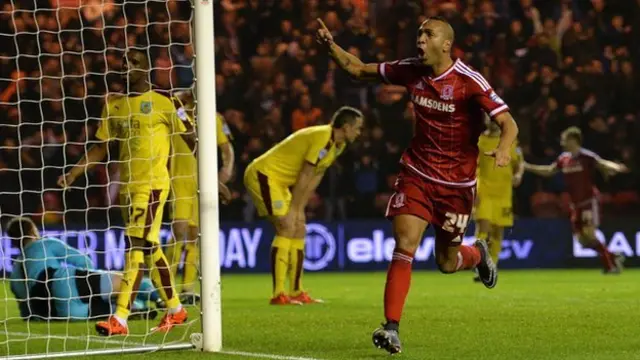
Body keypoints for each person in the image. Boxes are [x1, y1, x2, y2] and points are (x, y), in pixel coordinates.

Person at [317, 16, 519, 354]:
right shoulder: (411, 70)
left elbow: (507, 122)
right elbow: (359, 69)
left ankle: (477, 253)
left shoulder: (469, 81)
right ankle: (391, 327)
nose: (420, 39)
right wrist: (331, 46)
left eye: (428, 34)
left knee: (446, 262)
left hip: (456, 186)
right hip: (417, 174)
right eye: (418, 33)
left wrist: (504, 147)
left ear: (446, 43)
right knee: (405, 243)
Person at [57, 49, 230, 336]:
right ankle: (175, 309)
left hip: (152, 187)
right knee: (150, 247)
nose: (126, 68)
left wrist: (213, 179)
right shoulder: (114, 105)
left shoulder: (167, 103)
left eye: (134, 63)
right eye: (123, 63)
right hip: (128, 189)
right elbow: (101, 147)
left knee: (135, 246)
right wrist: (74, 173)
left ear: (147, 69)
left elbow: (192, 140)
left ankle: (120, 317)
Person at [244, 106, 363, 305]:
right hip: (264, 175)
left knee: (299, 227)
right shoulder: (323, 137)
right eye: (357, 128)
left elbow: (317, 175)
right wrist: (294, 209)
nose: (359, 133)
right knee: (286, 225)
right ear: (346, 127)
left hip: (280, 182)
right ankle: (278, 294)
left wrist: (300, 209)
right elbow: (306, 174)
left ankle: (297, 290)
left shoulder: (337, 145)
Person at [8, 216, 161, 321]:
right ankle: (159, 298)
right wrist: (93, 281)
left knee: (105, 309)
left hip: (57, 312)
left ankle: (138, 310)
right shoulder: (43, 243)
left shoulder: (15, 270)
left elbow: (26, 312)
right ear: (33, 231)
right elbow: (84, 261)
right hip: (60, 281)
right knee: (125, 282)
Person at [165, 88, 235, 305]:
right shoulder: (178, 113)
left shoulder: (213, 118)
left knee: (195, 235)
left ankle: (187, 288)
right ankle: (165, 288)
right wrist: (183, 95)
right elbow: (169, 98)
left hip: (201, 181)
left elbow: (227, 148)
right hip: (178, 180)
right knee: (179, 231)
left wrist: (226, 170)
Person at [524, 126, 627, 274]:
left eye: (564, 139)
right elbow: (549, 171)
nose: (562, 142)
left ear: (573, 140)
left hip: (589, 202)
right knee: (582, 241)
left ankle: (610, 266)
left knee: (590, 234)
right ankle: (613, 256)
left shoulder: (586, 156)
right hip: (575, 205)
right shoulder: (563, 158)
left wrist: (616, 167)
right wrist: (528, 167)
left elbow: (602, 163)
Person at [472, 118, 524, 282]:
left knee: (497, 232)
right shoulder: (479, 140)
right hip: (485, 190)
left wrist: (518, 175)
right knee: (483, 229)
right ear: (487, 121)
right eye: (491, 119)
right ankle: (480, 266)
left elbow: (520, 162)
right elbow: (471, 164)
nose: (494, 122)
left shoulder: (509, 140)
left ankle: (492, 265)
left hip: (503, 192)